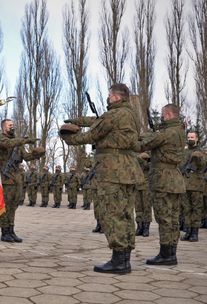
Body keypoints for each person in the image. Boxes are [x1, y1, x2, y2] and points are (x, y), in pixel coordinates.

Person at [61, 83, 143, 274]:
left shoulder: (114, 114)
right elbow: (95, 121)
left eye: (109, 95)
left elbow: (93, 133)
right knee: (125, 214)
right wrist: (78, 120)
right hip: (128, 171)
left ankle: (118, 261)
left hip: (113, 171)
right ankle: (124, 258)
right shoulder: (130, 114)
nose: (107, 98)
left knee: (112, 214)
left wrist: (67, 137)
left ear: (116, 97)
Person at [138, 104, 185, 266]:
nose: (162, 118)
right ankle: (171, 252)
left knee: (164, 218)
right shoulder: (180, 131)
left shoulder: (167, 133)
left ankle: (166, 255)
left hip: (163, 180)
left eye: (164, 115)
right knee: (173, 218)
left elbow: (143, 144)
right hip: (175, 180)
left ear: (170, 114)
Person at [0, 119, 44, 242]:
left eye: (13, 125)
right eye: (9, 125)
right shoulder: (1, 138)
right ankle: (4, 231)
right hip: (6, 177)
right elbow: (9, 144)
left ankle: (11, 230)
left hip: (16, 177)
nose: (12, 127)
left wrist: (36, 154)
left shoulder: (18, 143)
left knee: (14, 204)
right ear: (3, 127)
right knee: (6, 205)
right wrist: (25, 140)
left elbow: (26, 157)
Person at [179, 131, 207, 242]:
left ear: (197, 139)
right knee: (186, 209)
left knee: (196, 209)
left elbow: (203, 165)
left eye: (192, 137)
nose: (190, 139)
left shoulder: (200, 152)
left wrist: (198, 157)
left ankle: (195, 233)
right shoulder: (184, 152)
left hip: (196, 185)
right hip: (184, 185)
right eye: (188, 137)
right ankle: (188, 231)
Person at [135, 152, 152, 237]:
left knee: (146, 206)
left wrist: (140, 159)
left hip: (146, 185)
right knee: (138, 207)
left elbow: (149, 166)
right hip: (137, 185)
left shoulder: (148, 155)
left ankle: (146, 228)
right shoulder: (135, 155)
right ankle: (139, 226)